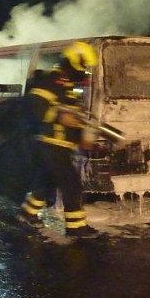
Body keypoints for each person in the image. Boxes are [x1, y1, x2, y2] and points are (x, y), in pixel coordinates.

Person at [19, 41, 100, 239]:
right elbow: (33, 105)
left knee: (46, 180)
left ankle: (27, 213)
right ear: (73, 61)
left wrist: (83, 138)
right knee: (71, 183)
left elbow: (72, 116)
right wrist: (58, 116)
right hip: (50, 143)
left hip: (60, 144)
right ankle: (75, 228)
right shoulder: (52, 79)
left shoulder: (67, 84)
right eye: (83, 66)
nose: (84, 72)